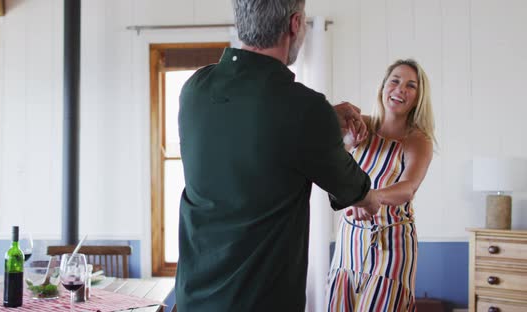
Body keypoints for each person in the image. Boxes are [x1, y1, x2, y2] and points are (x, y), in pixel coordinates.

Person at [175, 0, 382, 311]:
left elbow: (251, 126)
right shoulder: (305, 109)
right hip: (261, 301)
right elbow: (356, 191)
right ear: (295, 23)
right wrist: (372, 200)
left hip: (193, 298)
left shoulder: (195, 89)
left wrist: (324, 119)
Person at [325, 59, 436, 311]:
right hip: (350, 240)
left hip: (392, 243)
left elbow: (409, 187)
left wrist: (370, 196)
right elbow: (330, 166)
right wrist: (348, 145)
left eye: (411, 86)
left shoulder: (418, 140)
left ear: (419, 98)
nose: (400, 89)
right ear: (383, 87)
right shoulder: (359, 125)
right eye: (394, 81)